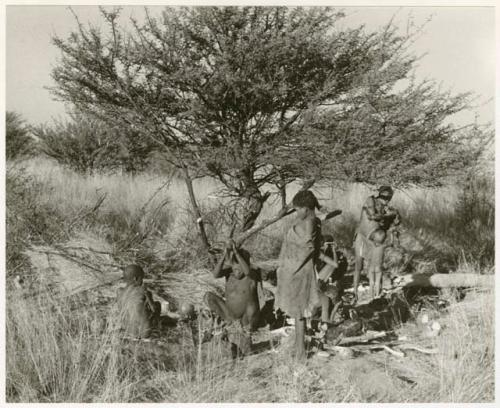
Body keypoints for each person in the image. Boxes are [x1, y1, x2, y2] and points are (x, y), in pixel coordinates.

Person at [275, 190, 338, 360]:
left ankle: (301, 352)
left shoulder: (309, 222)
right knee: (299, 313)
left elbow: (307, 246)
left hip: (298, 271)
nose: (296, 213)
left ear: (305, 208)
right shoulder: (313, 220)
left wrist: (291, 262)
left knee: (299, 313)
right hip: (299, 270)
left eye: (297, 209)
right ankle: (299, 349)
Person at [204, 241, 262, 358]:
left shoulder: (251, 274)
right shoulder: (229, 273)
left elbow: (246, 270)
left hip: (247, 318)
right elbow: (215, 275)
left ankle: (246, 332)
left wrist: (236, 252)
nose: (237, 271)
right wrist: (225, 255)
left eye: (239, 267)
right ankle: (229, 322)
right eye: (235, 267)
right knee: (208, 297)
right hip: (230, 314)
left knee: (251, 305)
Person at [353, 185, 401, 302]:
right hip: (362, 235)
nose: (386, 200)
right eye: (385, 197)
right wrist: (388, 215)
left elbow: (396, 223)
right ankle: (354, 292)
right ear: (380, 195)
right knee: (358, 266)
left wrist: (395, 216)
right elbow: (372, 216)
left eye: (388, 198)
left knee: (375, 265)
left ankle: (375, 293)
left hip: (375, 238)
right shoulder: (370, 200)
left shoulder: (387, 209)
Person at [116, 264, 161, 339]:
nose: (142, 281)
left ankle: (133, 330)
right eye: (141, 279)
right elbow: (154, 309)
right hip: (144, 333)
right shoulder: (143, 290)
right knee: (157, 304)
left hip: (127, 330)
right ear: (135, 279)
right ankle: (155, 329)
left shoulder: (119, 292)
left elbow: (121, 310)